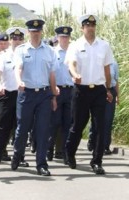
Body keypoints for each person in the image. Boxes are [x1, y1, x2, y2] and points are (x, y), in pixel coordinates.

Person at [65, 14, 114, 175]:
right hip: (81, 90)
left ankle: (97, 161)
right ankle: (70, 153)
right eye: (87, 25)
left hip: (99, 90)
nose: (90, 27)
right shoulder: (76, 45)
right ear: (82, 28)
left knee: (100, 127)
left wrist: (108, 89)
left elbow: (107, 69)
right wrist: (74, 75)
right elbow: (71, 64)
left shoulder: (104, 45)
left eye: (93, 25)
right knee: (77, 125)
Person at [11, 19, 58, 176]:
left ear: (41, 32)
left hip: (44, 94)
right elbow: (18, 68)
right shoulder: (21, 50)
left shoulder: (50, 51)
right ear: (29, 32)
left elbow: (52, 74)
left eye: (38, 31)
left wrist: (53, 95)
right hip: (27, 93)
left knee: (43, 130)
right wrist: (19, 81)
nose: (35, 33)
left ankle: (41, 164)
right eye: (32, 31)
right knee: (22, 129)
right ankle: (17, 154)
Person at [0, 26, 29, 167]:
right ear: (10, 40)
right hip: (7, 94)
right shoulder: (4, 55)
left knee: (21, 126)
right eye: (14, 38)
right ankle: (0, 150)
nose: (17, 40)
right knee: (5, 125)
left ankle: (19, 155)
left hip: (24, 94)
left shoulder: (27, 54)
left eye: (20, 38)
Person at [47, 26, 74, 164]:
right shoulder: (52, 52)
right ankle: (49, 148)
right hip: (56, 91)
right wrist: (52, 91)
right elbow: (49, 73)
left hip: (70, 90)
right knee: (54, 122)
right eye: (62, 37)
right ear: (57, 38)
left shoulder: (73, 52)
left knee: (67, 123)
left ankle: (63, 152)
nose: (64, 39)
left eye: (67, 37)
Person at [88, 60, 119, 155]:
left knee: (108, 119)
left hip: (111, 90)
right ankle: (93, 141)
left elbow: (116, 80)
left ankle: (105, 146)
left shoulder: (114, 63)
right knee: (96, 118)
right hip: (98, 90)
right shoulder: (95, 61)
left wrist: (118, 96)